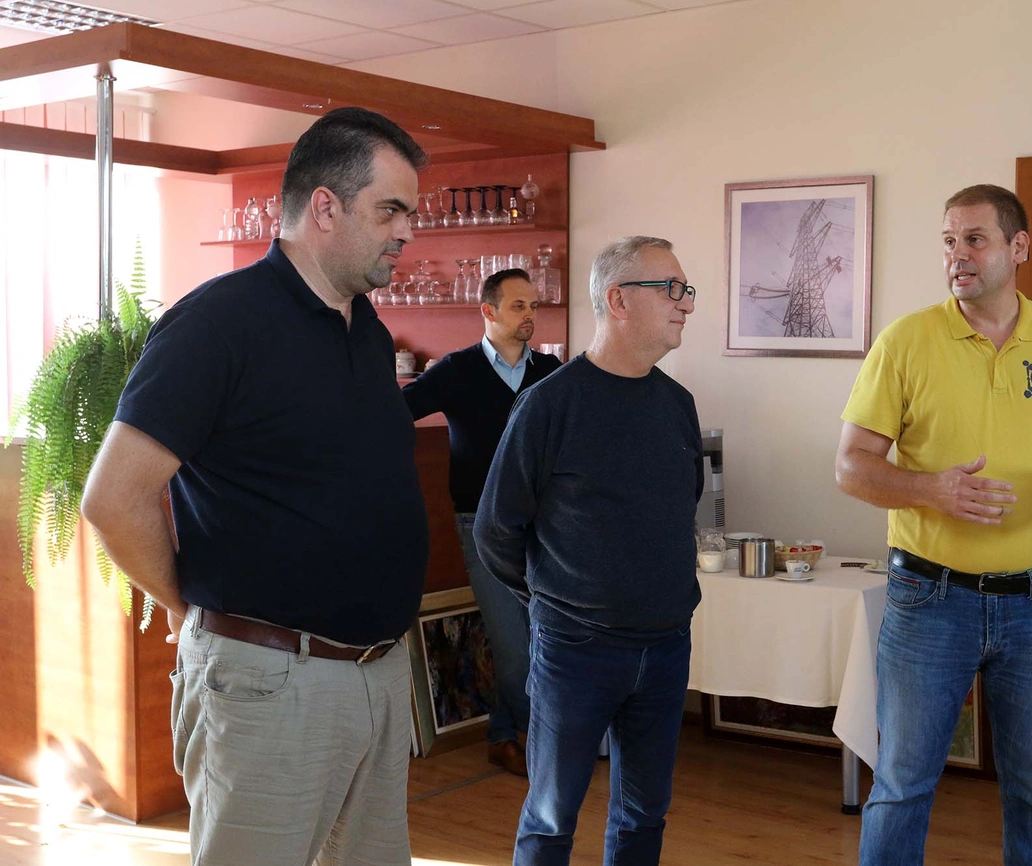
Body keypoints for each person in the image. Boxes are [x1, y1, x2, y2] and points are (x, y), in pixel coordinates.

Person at [81, 107, 430, 866]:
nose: (407, 230)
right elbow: (112, 498)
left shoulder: (367, 331)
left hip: (376, 675)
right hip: (272, 682)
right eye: (390, 210)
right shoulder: (217, 325)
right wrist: (190, 609)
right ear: (326, 207)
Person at [835, 184, 1032, 866]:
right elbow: (850, 467)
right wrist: (931, 489)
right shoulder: (905, 341)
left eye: (974, 239)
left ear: (1017, 247)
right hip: (929, 601)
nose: (957, 255)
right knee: (902, 787)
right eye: (948, 241)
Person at [474, 236, 702, 866]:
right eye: (672, 289)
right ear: (618, 300)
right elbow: (495, 530)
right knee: (551, 818)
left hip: (665, 645)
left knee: (644, 815)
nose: (686, 303)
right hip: (576, 650)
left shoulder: (677, 405)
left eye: (686, 290)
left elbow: (678, 510)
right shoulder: (549, 404)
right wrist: (556, 601)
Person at [402, 267, 562, 778]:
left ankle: (502, 735)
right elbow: (394, 413)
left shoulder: (550, 370)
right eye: (519, 306)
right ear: (488, 311)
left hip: (545, 528)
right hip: (481, 524)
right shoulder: (457, 370)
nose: (530, 315)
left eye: (534, 306)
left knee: (543, 639)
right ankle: (545, 746)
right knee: (514, 649)